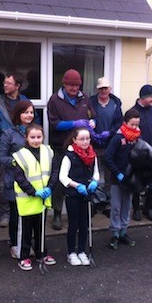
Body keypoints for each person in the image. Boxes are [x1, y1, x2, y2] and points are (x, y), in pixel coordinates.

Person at [0, 72, 36, 228]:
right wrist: (3, 127)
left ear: (17, 86)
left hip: (25, 147)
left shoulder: (26, 102)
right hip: (5, 148)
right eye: (4, 83)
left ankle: (23, 210)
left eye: (8, 83)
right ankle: (5, 215)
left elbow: (36, 122)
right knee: (3, 184)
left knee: (26, 180)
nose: (5, 85)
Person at [47, 68, 97, 230]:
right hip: (61, 147)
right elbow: (54, 124)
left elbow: (93, 115)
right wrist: (73, 124)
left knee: (80, 180)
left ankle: (76, 214)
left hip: (81, 148)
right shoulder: (55, 100)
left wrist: (93, 123)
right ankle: (57, 213)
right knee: (61, 181)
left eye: (77, 86)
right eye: (71, 86)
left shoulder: (85, 98)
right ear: (64, 84)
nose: (74, 89)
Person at [105, 109, 152, 249]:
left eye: (137, 124)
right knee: (116, 206)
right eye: (132, 124)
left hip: (131, 179)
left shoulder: (137, 140)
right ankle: (114, 234)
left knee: (126, 206)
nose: (135, 128)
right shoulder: (117, 138)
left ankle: (123, 231)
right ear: (125, 123)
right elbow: (108, 157)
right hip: (118, 180)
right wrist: (117, 173)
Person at [12, 124, 59, 271]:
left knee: (40, 229)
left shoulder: (48, 152)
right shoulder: (20, 155)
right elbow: (20, 178)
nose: (36, 140)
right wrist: (33, 191)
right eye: (32, 137)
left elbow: (54, 171)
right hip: (27, 200)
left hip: (43, 198)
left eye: (39, 137)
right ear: (26, 138)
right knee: (26, 231)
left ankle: (41, 253)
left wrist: (50, 187)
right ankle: (24, 256)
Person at [0, 100, 36, 259]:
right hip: (13, 180)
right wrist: (19, 161)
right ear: (18, 114)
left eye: (31, 112)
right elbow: (2, 158)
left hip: (32, 180)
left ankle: (27, 243)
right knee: (15, 214)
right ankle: (14, 244)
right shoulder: (8, 133)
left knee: (30, 215)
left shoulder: (35, 131)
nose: (29, 115)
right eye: (25, 112)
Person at [59, 127, 100, 266]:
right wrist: (77, 186)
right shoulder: (69, 156)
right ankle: (71, 252)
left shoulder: (92, 155)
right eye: (82, 139)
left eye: (87, 138)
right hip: (73, 195)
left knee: (85, 224)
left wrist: (94, 181)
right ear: (74, 140)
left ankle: (82, 251)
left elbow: (96, 173)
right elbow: (63, 177)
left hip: (87, 194)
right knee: (73, 224)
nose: (85, 141)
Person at [128, 84, 152, 221]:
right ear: (143, 97)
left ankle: (148, 208)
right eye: (151, 97)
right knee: (138, 184)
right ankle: (136, 210)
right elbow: (130, 134)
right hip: (139, 155)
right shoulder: (133, 113)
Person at [89, 77, 123, 199]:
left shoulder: (116, 103)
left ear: (110, 89)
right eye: (101, 88)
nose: (103, 91)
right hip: (94, 145)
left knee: (109, 175)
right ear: (97, 89)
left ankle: (108, 201)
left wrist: (110, 132)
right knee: (94, 173)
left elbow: (119, 122)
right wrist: (91, 128)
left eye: (106, 88)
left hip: (110, 144)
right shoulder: (91, 102)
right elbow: (86, 117)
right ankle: (95, 200)